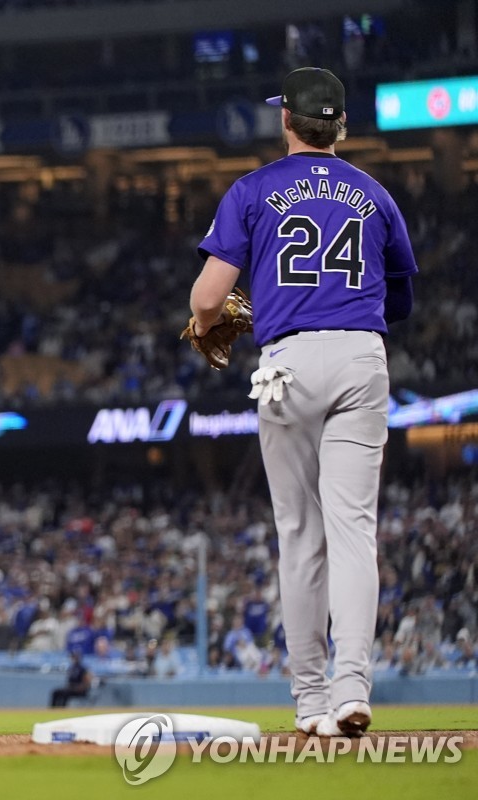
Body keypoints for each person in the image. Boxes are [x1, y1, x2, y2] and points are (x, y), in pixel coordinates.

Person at [189, 68, 417, 737]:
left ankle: (310, 702)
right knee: (354, 532)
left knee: (299, 537)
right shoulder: (376, 196)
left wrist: (209, 326)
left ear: (286, 119)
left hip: (287, 361)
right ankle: (352, 691)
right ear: (339, 126)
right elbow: (400, 298)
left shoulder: (253, 190)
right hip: (360, 357)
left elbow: (207, 299)